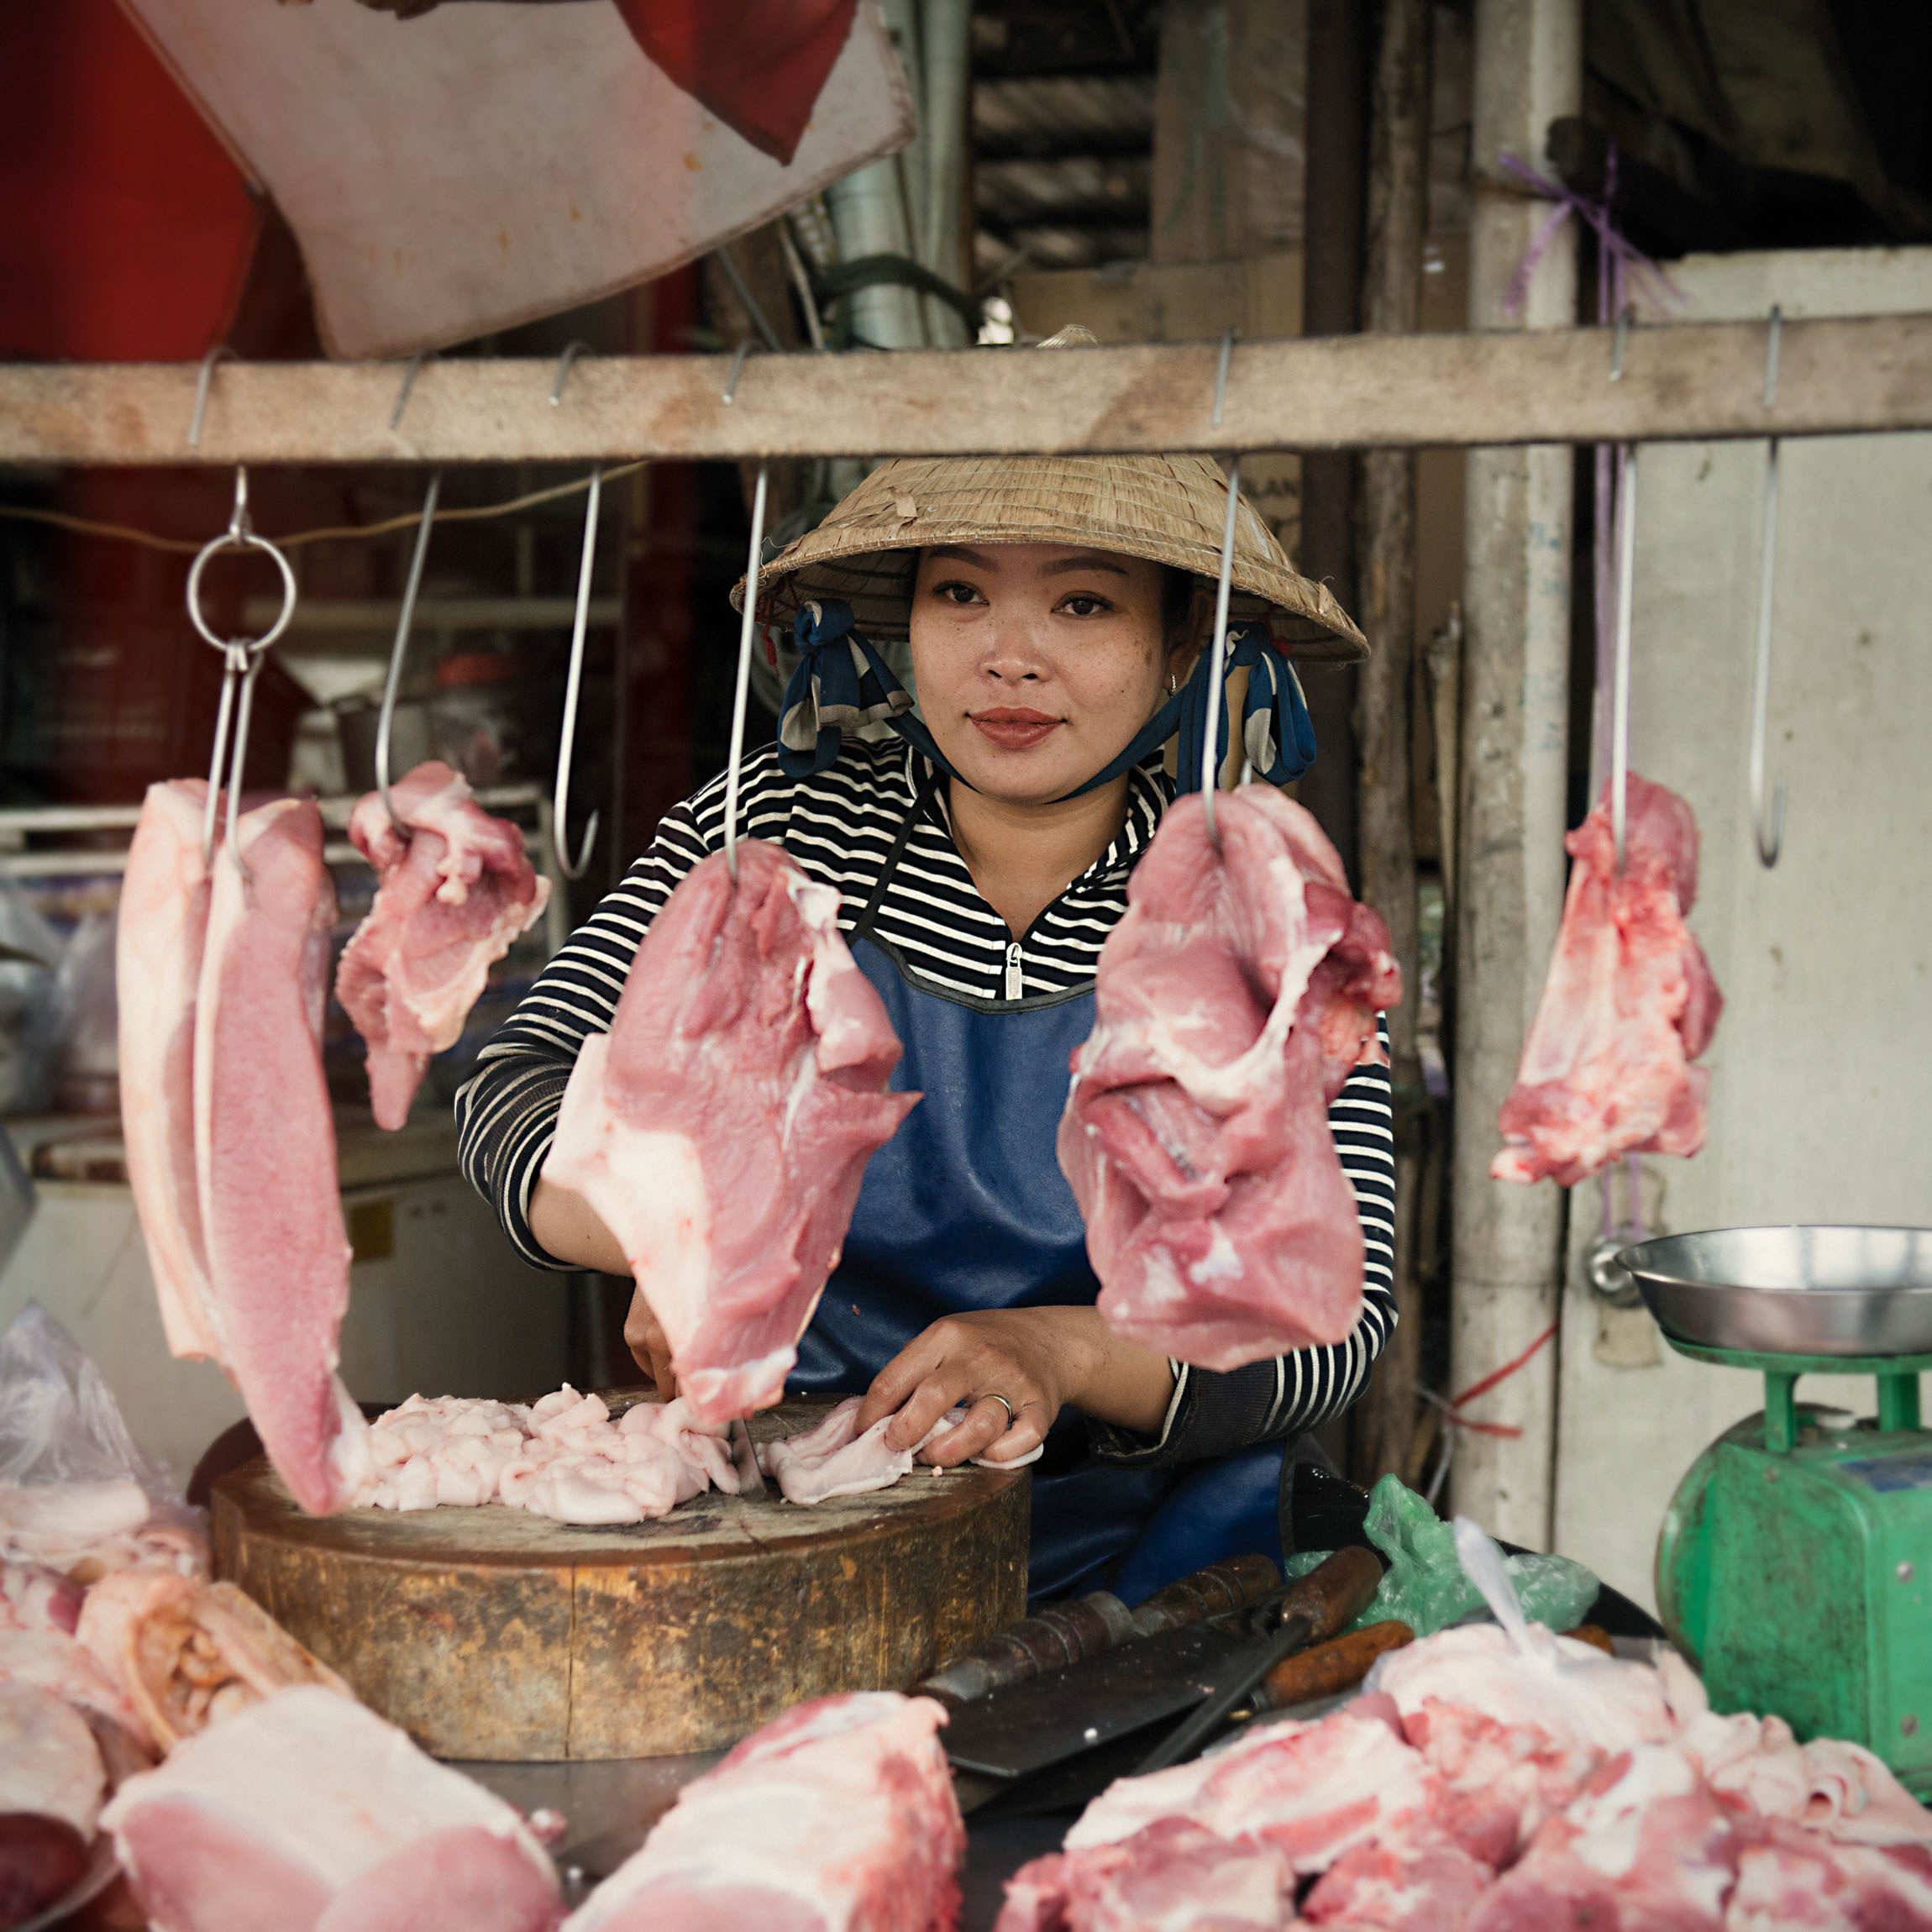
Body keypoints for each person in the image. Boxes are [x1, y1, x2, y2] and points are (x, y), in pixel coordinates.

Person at [457, 445, 1395, 1607]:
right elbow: (515, 1085)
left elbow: (1332, 1321)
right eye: (960, 593)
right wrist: (681, 1232)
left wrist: (1061, 1353)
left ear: (1182, 648)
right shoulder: (771, 829)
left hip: (1153, 1581)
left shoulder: (1251, 902)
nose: (1009, 655)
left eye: (1083, 602)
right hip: (788, 1540)